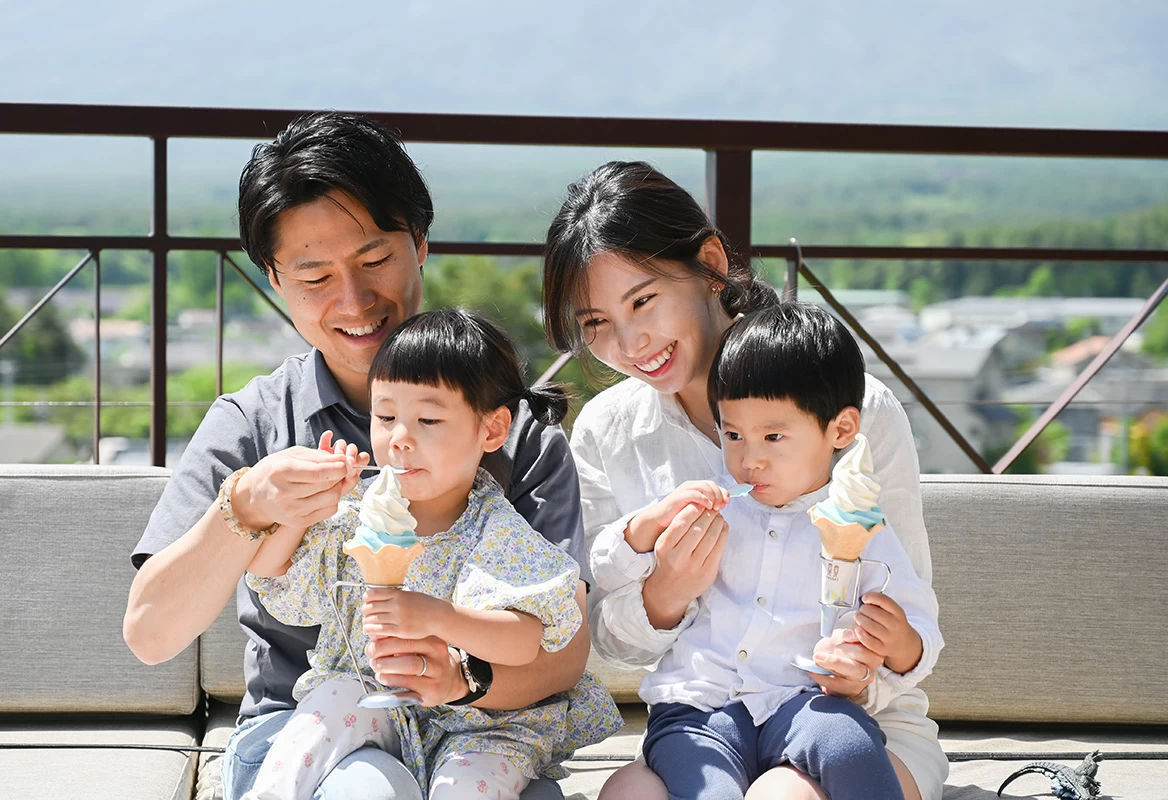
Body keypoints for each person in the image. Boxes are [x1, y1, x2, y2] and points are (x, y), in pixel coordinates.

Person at [124, 112, 590, 800]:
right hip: (305, 729)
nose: (355, 299)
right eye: (314, 275)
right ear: (275, 281)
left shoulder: (514, 435)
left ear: (420, 243)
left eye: (374, 260)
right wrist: (246, 508)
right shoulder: (254, 423)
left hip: (481, 732)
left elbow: (564, 650)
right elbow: (151, 635)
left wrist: (465, 679)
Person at [542, 161, 948, 800]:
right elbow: (608, 636)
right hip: (706, 721)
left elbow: (907, 607)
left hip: (851, 722)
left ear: (710, 264)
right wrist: (665, 594)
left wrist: (865, 663)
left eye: (643, 300)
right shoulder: (607, 429)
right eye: (596, 324)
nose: (630, 343)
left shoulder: (852, 411)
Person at [240, 309, 622, 800]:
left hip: (480, 725)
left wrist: (440, 618)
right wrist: (301, 510)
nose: (400, 437)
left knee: (466, 787)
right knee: (331, 697)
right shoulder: (357, 513)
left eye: (428, 419)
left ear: (491, 430)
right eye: (385, 416)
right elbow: (275, 582)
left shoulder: (498, 530)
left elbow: (526, 639)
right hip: (372, 700)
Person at [590, 303, 942, 800]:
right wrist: (646, 526)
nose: (748, 458)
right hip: (700, 707)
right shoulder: (707, 503)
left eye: (773, 436)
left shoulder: (862, 527)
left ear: (840, 431)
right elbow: (603, 566)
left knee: (850, 744)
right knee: (707, 788)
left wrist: (900, 644)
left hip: (805, 702)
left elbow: (922, 629)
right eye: (732, 434)